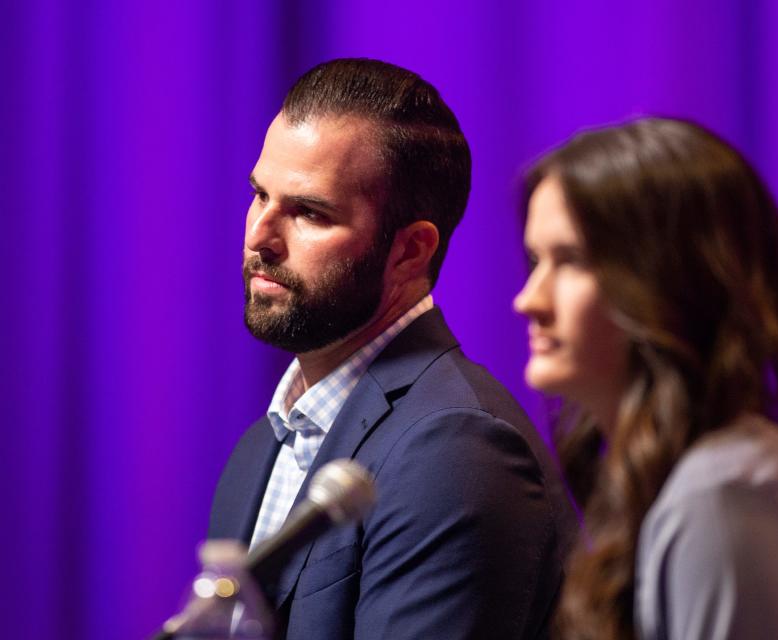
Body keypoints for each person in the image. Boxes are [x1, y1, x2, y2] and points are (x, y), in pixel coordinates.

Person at [208, 58, 576, 640]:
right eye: (259, 195)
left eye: (309, 212)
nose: (259, 235)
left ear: (410, 251)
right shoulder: (260, 447)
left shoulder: (457, 445)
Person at [513, 117, 778, 639]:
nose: (528, 300)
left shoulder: (724, 497)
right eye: (536, 260)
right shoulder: (696, 481)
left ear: (669, 282)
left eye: (573, 261)